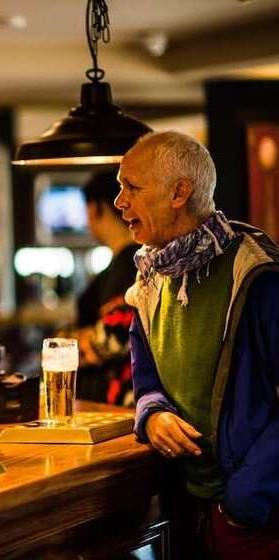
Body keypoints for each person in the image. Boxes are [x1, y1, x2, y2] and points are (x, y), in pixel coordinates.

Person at [118, 130, 279, 557]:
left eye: (131, 187)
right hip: (184, 506)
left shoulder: (256, 273)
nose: (120, 202)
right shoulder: (150, 277)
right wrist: (151, 413)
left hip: (255, 516)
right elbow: (145, 376)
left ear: (179, 192)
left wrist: (246, 499)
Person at [66, 170, 138, 406]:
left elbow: (116, 334)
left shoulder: (131, 262)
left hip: (118, 405)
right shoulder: (124, 262)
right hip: (105, 404)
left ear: (94, 208)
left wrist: (63, 345)